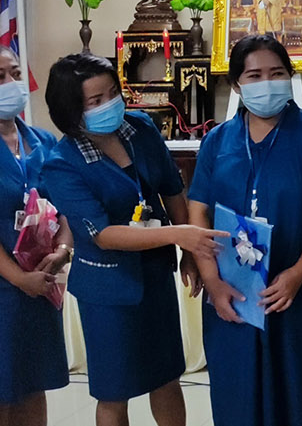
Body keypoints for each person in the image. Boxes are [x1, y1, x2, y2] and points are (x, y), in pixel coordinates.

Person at [42, 53, 225, 426]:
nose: (110, 104)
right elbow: (103, 235)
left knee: (166, 376)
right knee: (114, 390)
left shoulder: (139, 127)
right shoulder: (61, 164)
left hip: (154, 276)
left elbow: (171, 189)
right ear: (71, 111)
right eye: (96, 100)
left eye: (113, 93)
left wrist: (188, 253)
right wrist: (179, 235)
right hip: (108, 290)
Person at [187, 34, 302, 426]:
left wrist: (298, 273)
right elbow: (198, 211)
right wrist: (212, 281)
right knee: (239, 396)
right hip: (234, 289)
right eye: (255, 75)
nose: (267, 83)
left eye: (277, 73)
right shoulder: (217, 141)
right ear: (236, 84)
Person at [0, 47, 71, 426]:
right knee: (5, 389)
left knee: (33, 384)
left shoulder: (43, 142)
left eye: (15, 73)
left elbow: (66, 206)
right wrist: (18, 278)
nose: (10, 84)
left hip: (41, 282)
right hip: (7, 286)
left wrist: (63, 250)